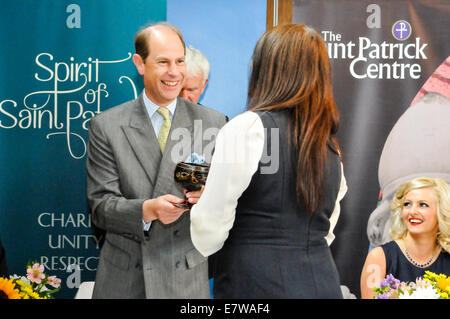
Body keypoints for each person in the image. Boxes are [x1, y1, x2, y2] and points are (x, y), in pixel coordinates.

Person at [189, 24, 347, 298]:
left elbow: (210, 226)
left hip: (255, 283)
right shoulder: (329, 145)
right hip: (323, 282)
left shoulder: (248, 127)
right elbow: (327, 228)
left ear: (266, 70)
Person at [86, 22, 227, 298]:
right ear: (140, 63)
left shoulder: (214, 123)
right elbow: (100, 209)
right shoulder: (106, 126)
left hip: (185, 280)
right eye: (163, 62)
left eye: (179, 61)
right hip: (125, 280)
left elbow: (230, 205)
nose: (174, 72)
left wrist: (210, 197)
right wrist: (148, 210)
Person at [360, 177, 450, 299]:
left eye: (423, 205)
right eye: (407, 204)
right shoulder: (379, 257)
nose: (412, 211)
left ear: (441, 211)